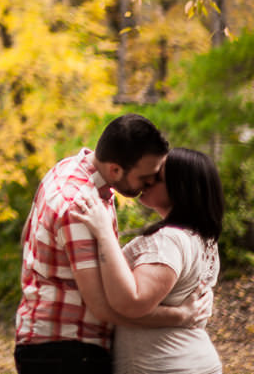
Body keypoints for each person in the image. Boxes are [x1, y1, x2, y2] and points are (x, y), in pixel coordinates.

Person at [15, 113, 202, 374]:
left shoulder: (69, 169)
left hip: (53, 346)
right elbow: (103, 307)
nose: (151, 183)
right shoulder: (79, 206)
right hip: (66, 352)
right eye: (146, 176)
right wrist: (182, 315)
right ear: (115, 169)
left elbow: (28, 235)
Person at [71, 148, 224, 374]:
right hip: (188, 360)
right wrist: (182, 315)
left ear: (180, 188)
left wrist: (103, 231)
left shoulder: (168, 241)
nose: (147, 180)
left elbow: (133, 302)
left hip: (165, 365)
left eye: (157, 177)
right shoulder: (202, 239)